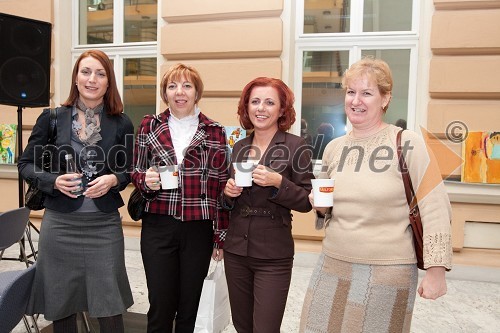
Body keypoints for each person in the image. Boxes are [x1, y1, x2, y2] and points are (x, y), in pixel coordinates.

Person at [299, 57, 452, 333]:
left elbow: (435, 205)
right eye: (351, 92)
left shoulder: (407, 143)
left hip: (388, 271)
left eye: (367, 93)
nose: (356, 100)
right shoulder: (334, 147)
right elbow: (327, 205)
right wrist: (320, 207)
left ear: (385, 99)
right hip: (333, 262)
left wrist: (436, 269)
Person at [18, 49, 135, 332]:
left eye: (100, 73)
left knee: (109, 306)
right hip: (60, 226)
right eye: (86, 72)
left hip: (104, 227)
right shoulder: (52, 118)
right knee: (62, 306)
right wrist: (53, 181)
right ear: (75, 78)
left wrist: (113, 180)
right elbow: (25, 164)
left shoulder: (121, 123)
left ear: (109, 82)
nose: (92, 79)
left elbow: (132, 168)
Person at [131, 63, 229, 333]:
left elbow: (220, 186)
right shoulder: (149, 125)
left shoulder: (215, 130)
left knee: (189, 309)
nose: (180, 92)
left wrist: (220, 236)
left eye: (187, 85)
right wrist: (145, 180)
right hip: (158, 225)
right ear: (165, 93)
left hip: (198, 227)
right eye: (172, 86)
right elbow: (136, 170)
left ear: (197, 92)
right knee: (160, 306)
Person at [222, 77, 314, 332]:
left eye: (270, 102)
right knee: (242, 326)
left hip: (274, 254)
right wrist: (228, 193)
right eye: (255, 102)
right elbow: (226, 202)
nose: (261, 108)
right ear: (246, 107)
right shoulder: (239, 146)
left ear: (282, 110)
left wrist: (278, 182)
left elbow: (308, 201)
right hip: (237, 250)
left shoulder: (296, 146)